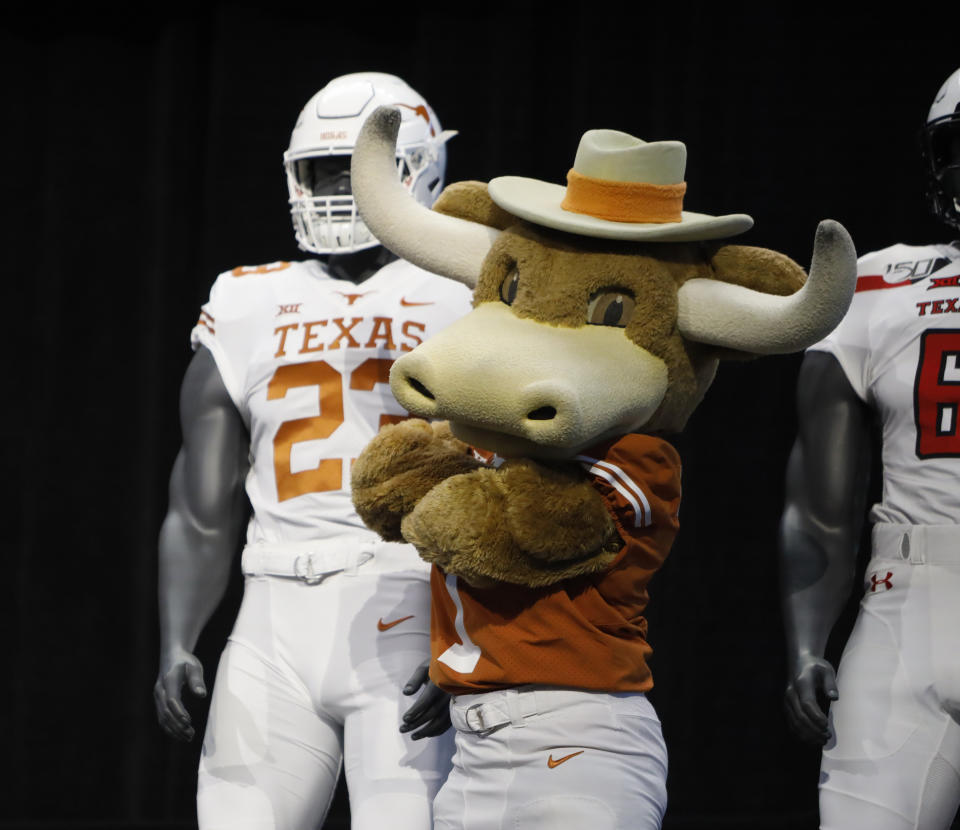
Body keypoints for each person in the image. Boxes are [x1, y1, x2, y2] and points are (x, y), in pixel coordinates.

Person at [152, 72, 473, 830]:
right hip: (271, 610)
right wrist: (177, 639)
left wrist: (470, 628)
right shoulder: (243, 299)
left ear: (419, 166)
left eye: (356, 167)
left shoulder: (468, 286)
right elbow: (199, 508)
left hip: (408, 594)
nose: (337, 188)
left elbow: (510, 483)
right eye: (321, 170)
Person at [780, 67, 960, 830]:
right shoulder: (877, 284)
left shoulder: (887, 287)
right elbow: (819, 508)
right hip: (906, 598)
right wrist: (805, 644)